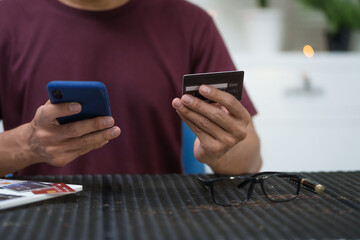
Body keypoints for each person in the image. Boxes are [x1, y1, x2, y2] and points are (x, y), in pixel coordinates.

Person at [0, 0, 262, 176]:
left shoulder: (191, 23)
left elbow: (251, 160)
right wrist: (29, 144)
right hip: (35, 224)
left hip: (157, 223)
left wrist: (221, 152)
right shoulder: (6, 18)